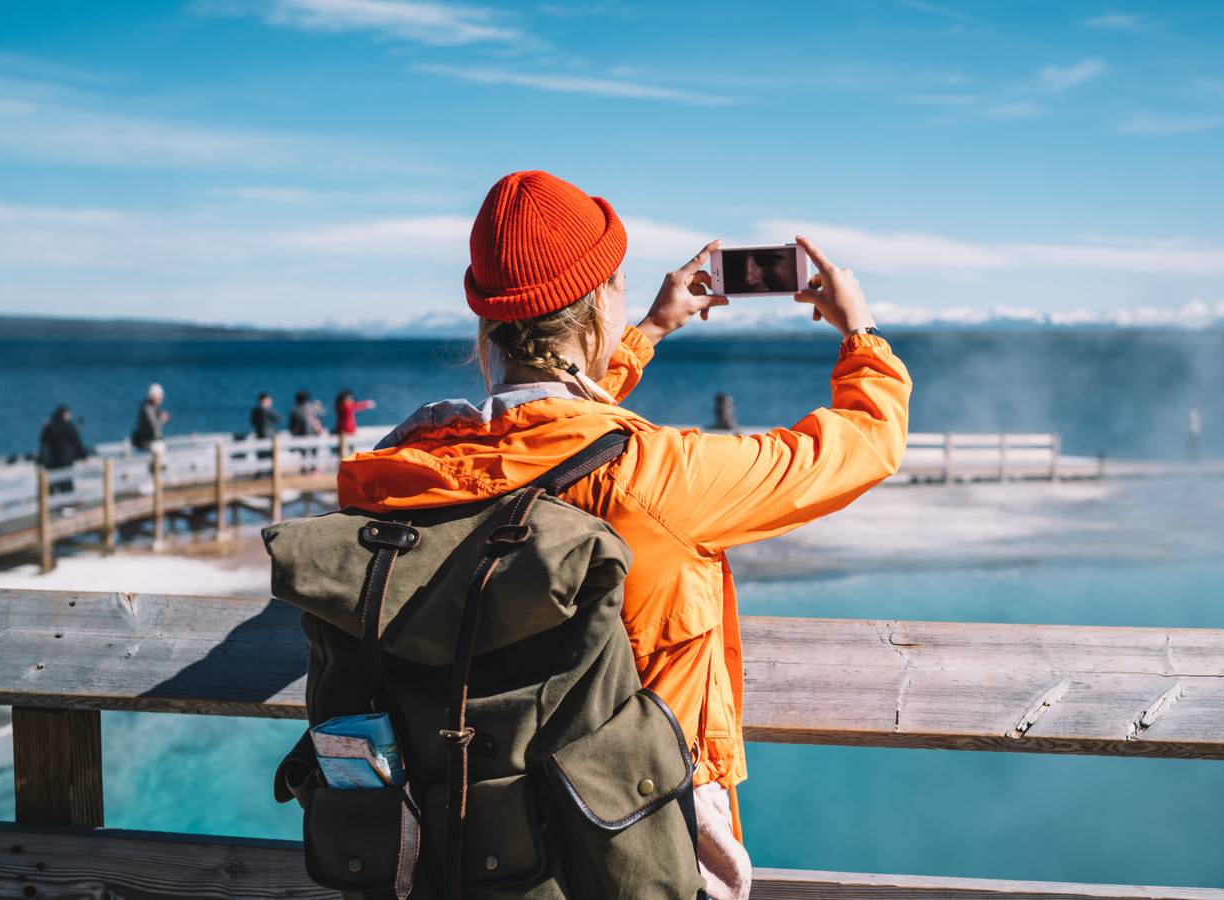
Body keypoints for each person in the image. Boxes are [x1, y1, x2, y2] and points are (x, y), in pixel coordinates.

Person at [336, 170, 910, 900]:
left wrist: (647, 332)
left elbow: (540, 442)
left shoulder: (404, 468)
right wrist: (859, 332)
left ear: (487, 319)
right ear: (600, 303)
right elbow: (863, 444)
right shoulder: (660, 478)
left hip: (459, 841)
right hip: (635, 844)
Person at [37, 405, 89, 495]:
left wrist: (41, 460)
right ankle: (67, 502)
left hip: (52, 460)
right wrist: (84, 456)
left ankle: (51, 503)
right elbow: (77, 443)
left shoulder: (50, 426)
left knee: (53, 483)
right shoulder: (68, 427)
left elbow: (43, 441)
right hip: (65, 459)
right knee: (66, 482)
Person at [131, 383, 169, 453]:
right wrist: (160, 419)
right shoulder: (147, 409)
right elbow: (153, 427)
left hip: (152, 442)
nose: (160, 400)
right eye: (159, 398)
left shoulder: (151, 408)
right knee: (159, 454)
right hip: (151, 442)